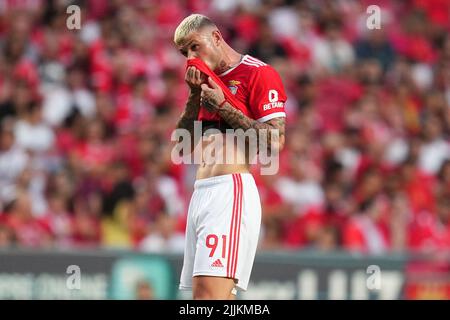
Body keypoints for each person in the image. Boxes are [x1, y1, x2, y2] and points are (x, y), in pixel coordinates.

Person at [173, 14, 287, 299]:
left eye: (194, 47)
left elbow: (275, 141)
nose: (190, 57)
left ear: (216, 38)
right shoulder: (203, 83)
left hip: (230, 190)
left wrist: (224, 108)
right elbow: (181, 146)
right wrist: (193, 96)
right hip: (201, 193)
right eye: (184, 52)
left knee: (208, 298)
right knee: (210, 297)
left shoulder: (257, 73)